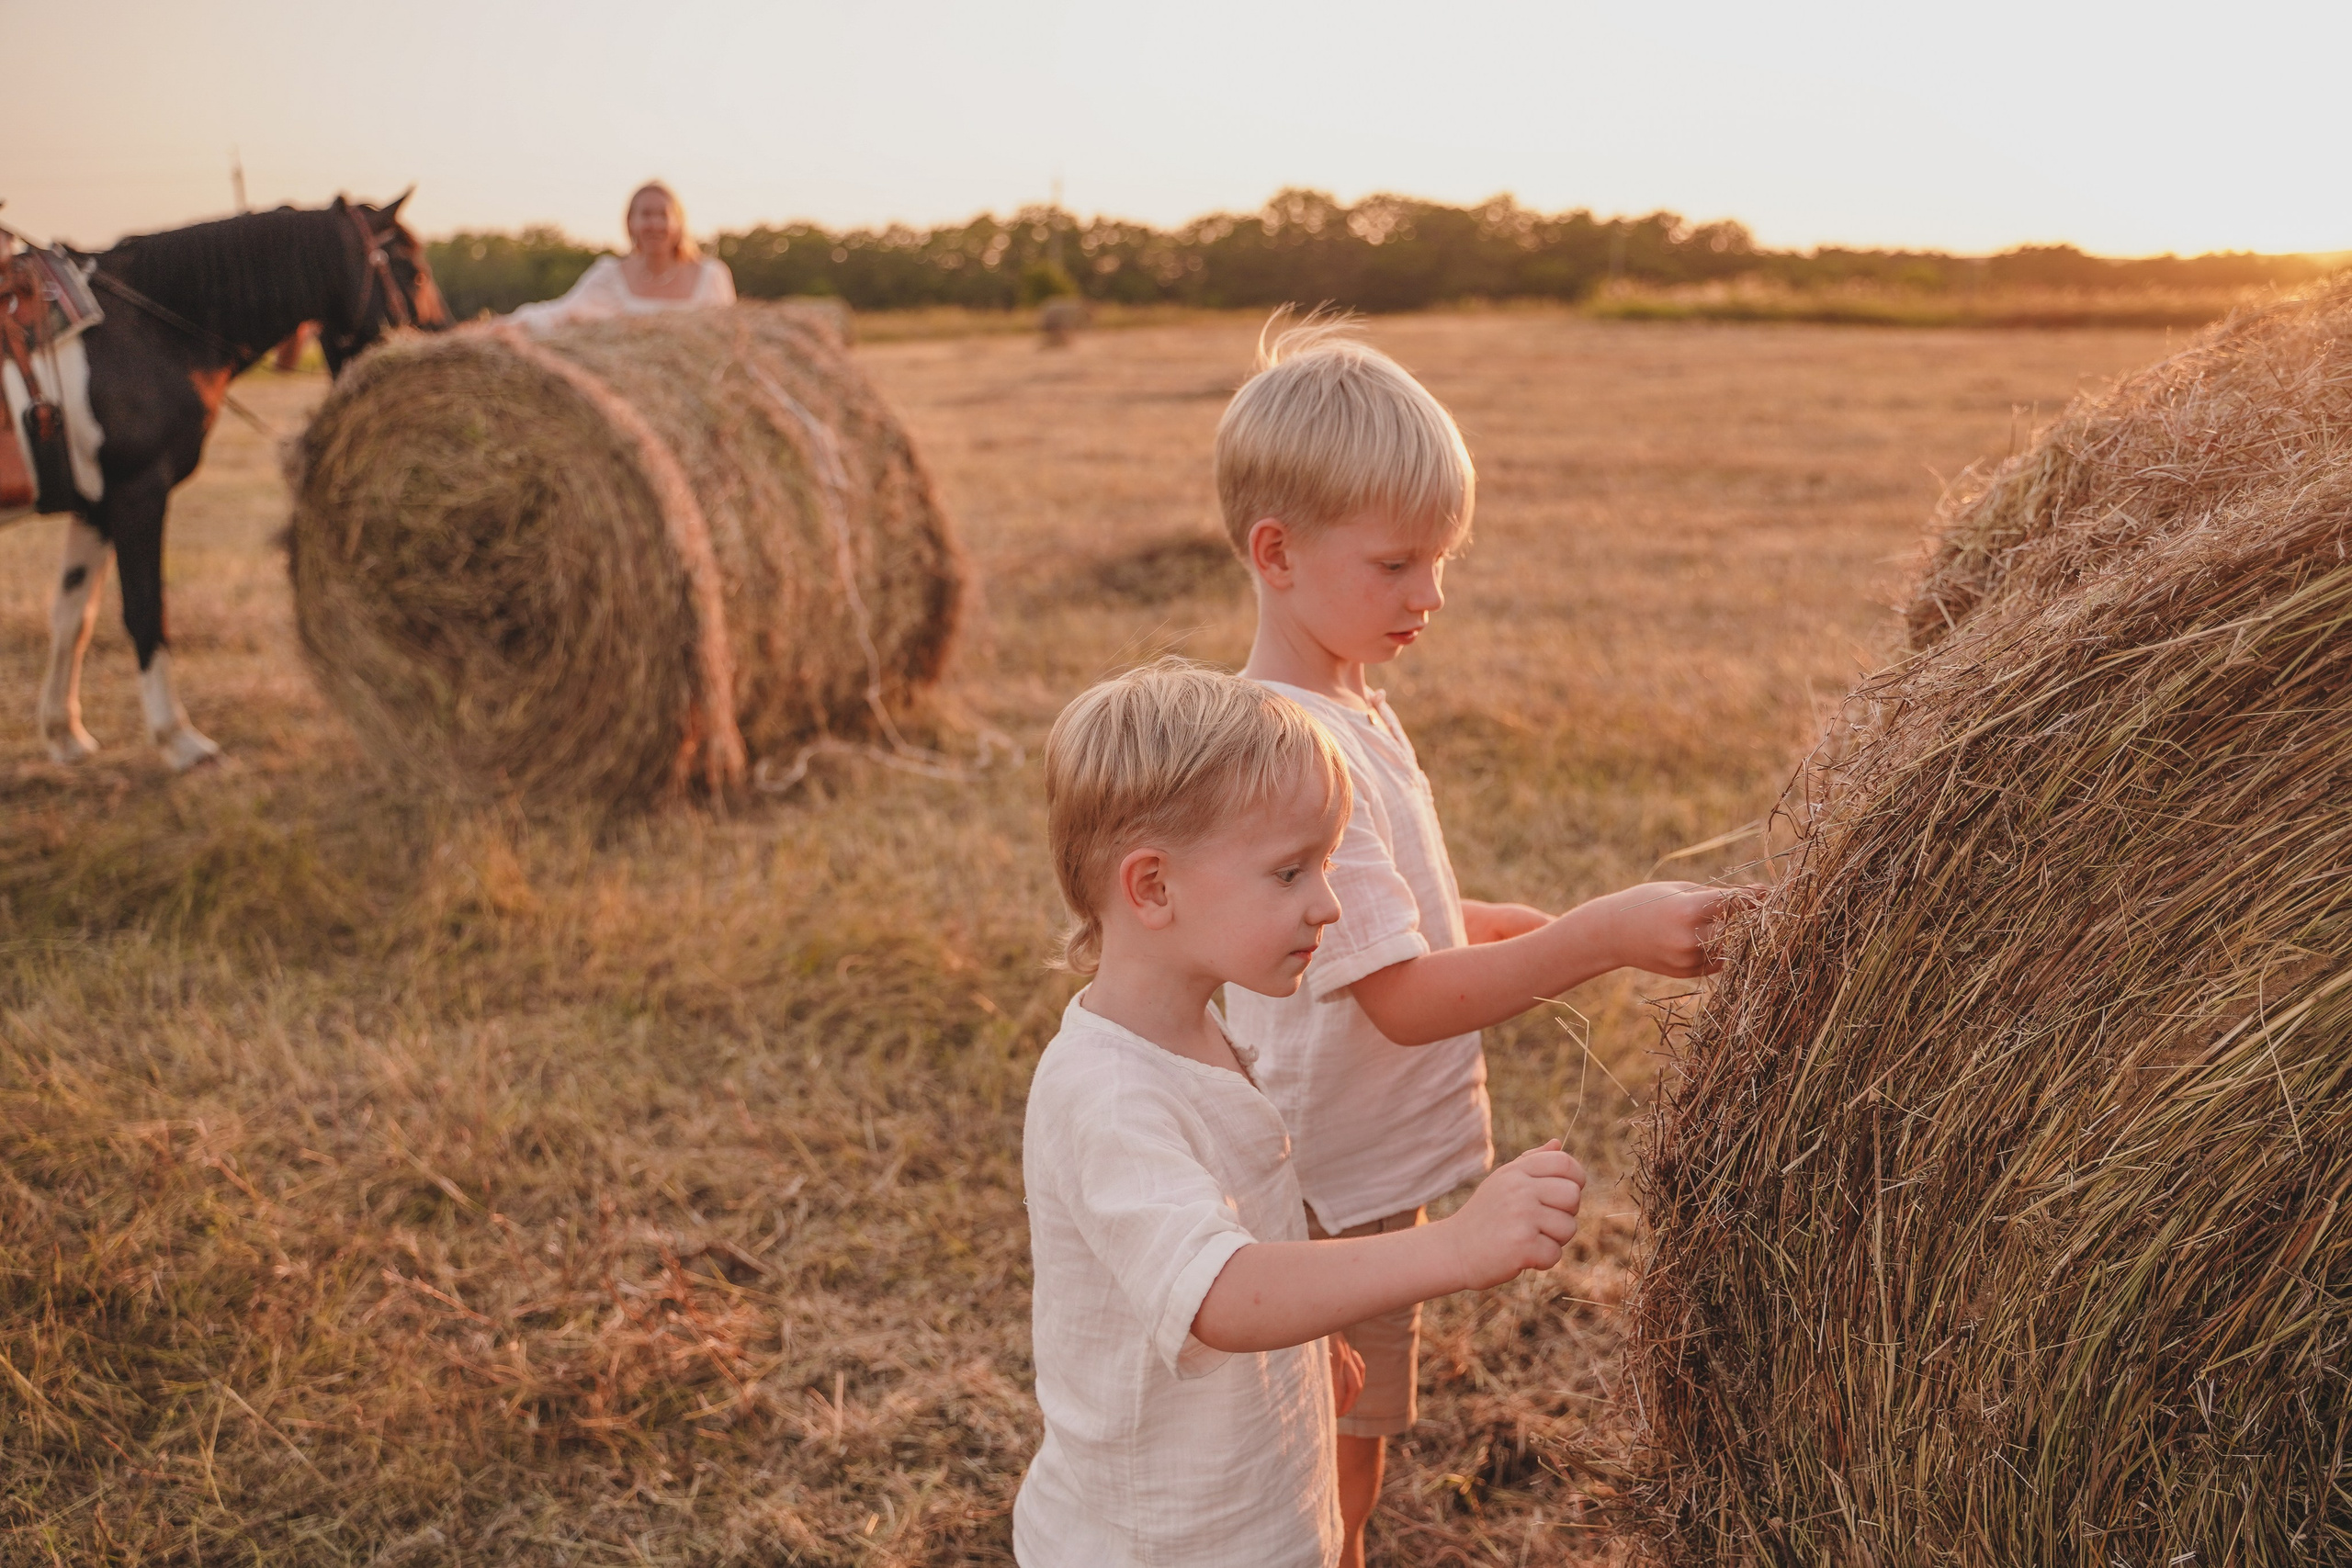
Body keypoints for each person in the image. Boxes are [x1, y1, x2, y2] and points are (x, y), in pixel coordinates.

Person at [1214, 315, 1747, 1567]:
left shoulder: (1343, 697)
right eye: (1399, 562)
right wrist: (1601, 935)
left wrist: (1492, 924)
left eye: (1442, 560)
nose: (1432, 594)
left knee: (1359, 1421)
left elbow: (1376, 924)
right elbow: (1398, 996)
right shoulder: (1294, 749)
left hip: (1356, 1167)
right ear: (1277, 553)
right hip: (1312, 1183)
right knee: (1316, 1437)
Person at [1016, 660, 1588, 1568]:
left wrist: (1312, 1340)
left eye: (1323, 863)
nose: (1326, 903)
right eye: (1289, 872)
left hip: (1255, 1507)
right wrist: (1454, 1248)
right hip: (1162, 1543)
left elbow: (1252, 1214)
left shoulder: (1199, 1029)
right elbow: (1218, 1296)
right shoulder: (1109, 1098)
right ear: (1152, 887)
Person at [507, 181, 734, 332]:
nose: (654, 224)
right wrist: (506, 326)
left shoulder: (712, 276)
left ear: (678, 223)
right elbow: (563, 310)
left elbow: (731, 340)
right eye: (645, 215)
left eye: (663, 215)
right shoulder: (609, 274)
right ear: (630, 223)